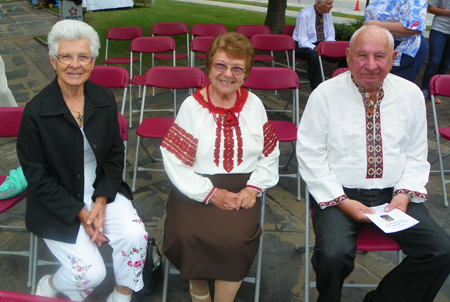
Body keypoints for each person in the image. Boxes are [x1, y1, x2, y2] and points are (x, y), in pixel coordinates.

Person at [296, 25, 450, 302]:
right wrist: (341, 201)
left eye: (380, 56)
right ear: (347, 55)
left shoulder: (411, 94)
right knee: (332, 255)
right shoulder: (324, 94)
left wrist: (404, 194)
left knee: (442, 250)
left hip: (395, 196)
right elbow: (310, 154)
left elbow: (416, 154)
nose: (370, 65)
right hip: (338, 195)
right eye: (361, 55)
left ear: (393, 58)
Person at [17, 20, 148, 302]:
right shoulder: (36, 112)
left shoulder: (103, 98)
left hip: (102, 189)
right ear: (53, 61)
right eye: (66, 56)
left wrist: (100, 201)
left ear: (92, 62)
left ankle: (121, 296)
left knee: (135, 236)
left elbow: (114, 153)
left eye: (82, 56)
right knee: (90, 274)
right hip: (57, 200)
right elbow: (37, 176)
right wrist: (80, 212)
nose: (74, 65)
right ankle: (51, 283)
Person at [160, 32, 279, 302]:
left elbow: (270, 153)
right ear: (209, 66)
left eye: (237, 68)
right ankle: (199, 287)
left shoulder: (254, 105)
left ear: (246, 73)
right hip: (195, 188)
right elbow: (175, 160)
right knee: (183, 234)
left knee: (235, 239)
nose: (228, 74)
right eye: (221, 65)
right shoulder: (192, 106)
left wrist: (253, 188)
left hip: (242, 190)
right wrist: (210, 194)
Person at [364, 0, 428, 83]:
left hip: (404, 50)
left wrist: (377, 25)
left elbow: (414, 27)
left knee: (396, 89)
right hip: (381, 46)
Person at [292, 0, 340, 91]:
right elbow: (302, 40)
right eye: (329, 3)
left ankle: (342, 85)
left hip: (321, 44)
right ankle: (318, 89)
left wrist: (329, 47)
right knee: (314, 57)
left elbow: (330, 34)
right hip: (304, 45)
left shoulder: (327, 13)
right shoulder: (304, 14)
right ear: (319, 3)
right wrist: (315, 48)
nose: (332, 6)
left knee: (343, 53)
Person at [420, 0, 450, 101]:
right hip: (439, 30)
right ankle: (425, 89)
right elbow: (430, 8)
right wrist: (447, 12)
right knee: (434, 62)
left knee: (445, 64)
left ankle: (436, 92)